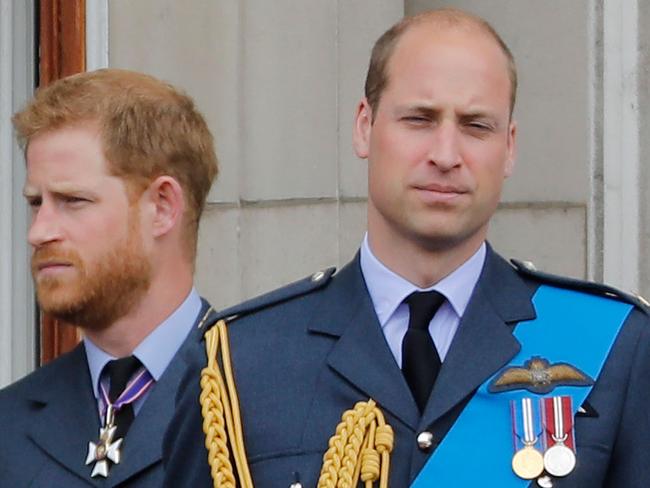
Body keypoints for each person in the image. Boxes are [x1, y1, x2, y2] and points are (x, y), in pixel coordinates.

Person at [163, 8, 650, 488]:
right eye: (419, 119)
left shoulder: (616, 348)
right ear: (364, 126)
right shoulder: (243, 360)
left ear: (510, 147)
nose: (445, 155)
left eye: (476, 126)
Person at [0, 69, 219, 487]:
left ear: (162, 206)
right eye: (35, 202)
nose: (38, 232)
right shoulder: (10, 427)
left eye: (72, 201)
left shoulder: (262, 400)